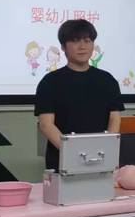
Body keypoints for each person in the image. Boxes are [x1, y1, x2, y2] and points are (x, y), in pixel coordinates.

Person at [35, 19, 123, 171]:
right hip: (63, 160)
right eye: (75, 41)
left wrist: (105, 149)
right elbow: (46, 124)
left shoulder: (107, 80)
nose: (82, 46)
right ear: (63, 47)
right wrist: (74, 153)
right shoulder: (50, 82)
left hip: (101, 158)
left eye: (87, 41)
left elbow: (114, 118)